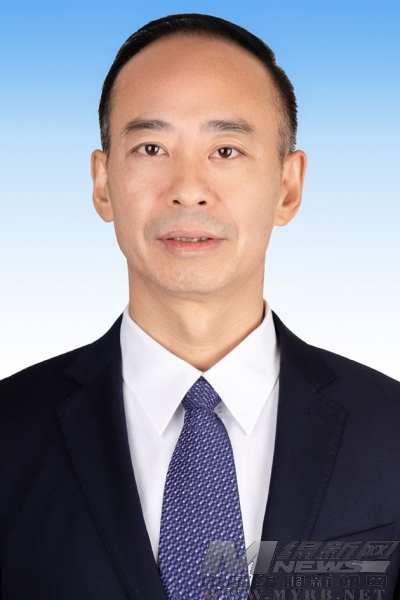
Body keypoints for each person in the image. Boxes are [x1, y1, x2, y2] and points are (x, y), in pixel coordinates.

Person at [0, 13, 399, 600]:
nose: (188, 188)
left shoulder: (390, 430)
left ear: (288, 187)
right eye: (151, 147)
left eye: (226, 150)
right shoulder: (10, 432)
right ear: (103, 184)